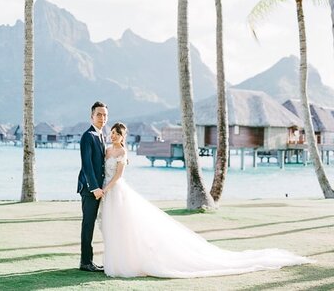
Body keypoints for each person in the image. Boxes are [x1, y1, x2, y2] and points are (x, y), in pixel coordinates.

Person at [100, 122, 311, 278]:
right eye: (112, 133)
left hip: (116, 190)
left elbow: (118, 175)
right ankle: (116, 260)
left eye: (117, 134)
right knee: (114, 226)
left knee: (125, 224)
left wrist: (106, 188)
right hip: (108, 192)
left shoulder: (122, 151)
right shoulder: (108, 149)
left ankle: (124, 262)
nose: (113, 136)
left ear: (123, 136)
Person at [77, 101, 107, 272]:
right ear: (92, 116)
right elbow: (86, 164)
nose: (102, 118)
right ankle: (85, 262)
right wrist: (94, 187)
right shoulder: (87, 136)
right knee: (88, 224)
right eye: (99, 114)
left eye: (104, 115)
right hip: (90, 190)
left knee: (93, 224)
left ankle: (89, 260)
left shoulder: (101, 135)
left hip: (100, 189)